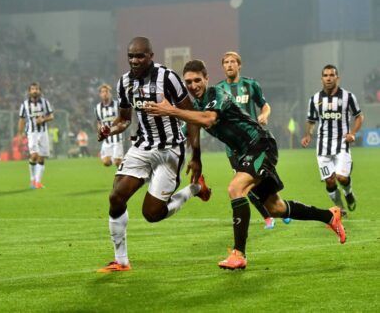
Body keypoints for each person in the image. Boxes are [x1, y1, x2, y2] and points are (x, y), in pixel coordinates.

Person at [144, 59, 346, 270]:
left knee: (235, 188)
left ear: (206, 78)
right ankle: (329, 215)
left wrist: (171, 111)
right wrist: (185, 155)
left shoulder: (216, 94)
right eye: (188, 82)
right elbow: (189, 128)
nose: (193, 86)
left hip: (260, 144)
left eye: (197, 80)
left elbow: (207, 120)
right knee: (275, 208)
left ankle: (239, 254)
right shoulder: (195, 105)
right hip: (245, 152)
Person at [96, 37, 211, 273]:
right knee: (116, 197)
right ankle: (121, 261)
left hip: (169, 149)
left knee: (152, 214)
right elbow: (125, 119)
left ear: (151, 56)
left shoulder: (168, 78)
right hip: (142, 146)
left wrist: (196, 156)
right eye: (131, 56)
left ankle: (195, 188)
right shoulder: (124, 83)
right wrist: (110, 128)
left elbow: (191, 117)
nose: (135, 61)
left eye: (140, 56)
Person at [216, 51, 290, 229]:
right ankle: (268, 217)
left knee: (264, 182)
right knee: (244, 186)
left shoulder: (250, 85)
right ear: (223, 66)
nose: (229, 65)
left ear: (239, 65)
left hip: (255, 142)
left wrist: (264, 115)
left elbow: (264, 104)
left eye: (233, 61)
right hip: (233, 147)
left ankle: (282, 209)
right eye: (226, 62)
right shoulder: (218, 90)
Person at [301, 64, 364, 214]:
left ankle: (348, 193)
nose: (328, 78)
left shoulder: (348, 97)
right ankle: (340, 208)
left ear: (337, 78)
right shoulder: (315, 99)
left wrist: (353, 133)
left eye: (331, 75)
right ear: (322, 78)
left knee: (341, 177)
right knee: (329, 180)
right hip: (323, 146)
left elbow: (359, 116)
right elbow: (311, 120)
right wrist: (308, 134)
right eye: (326, 75)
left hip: (342, 143)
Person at [17, 82, 54, 189]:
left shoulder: (45, 102)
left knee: (41, 158)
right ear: (29, 91)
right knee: (34, 156)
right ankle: (32, 179)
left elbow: (51, 116)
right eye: (33, 89)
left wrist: (43, 119)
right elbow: (21, 119)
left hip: (43, 132)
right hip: (31, 132)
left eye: (37, 89)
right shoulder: (24, 104)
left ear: (40, 91)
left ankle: (38, 182)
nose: (35, 91)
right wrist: (20, 134)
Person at [94, 84, 124, 167]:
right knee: (106, 163)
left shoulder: (117, 105)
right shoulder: (97, 108)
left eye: (106, 91)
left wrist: (121, 125)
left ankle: (124, 170)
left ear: (110, 93)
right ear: (100, 95)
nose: (105, 93)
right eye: (102, 92)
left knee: (117, 162)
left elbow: (124, 118)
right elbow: (99, 122)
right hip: (106, 138)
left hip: (117, 137)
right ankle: (116, 159)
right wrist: (100, 132)